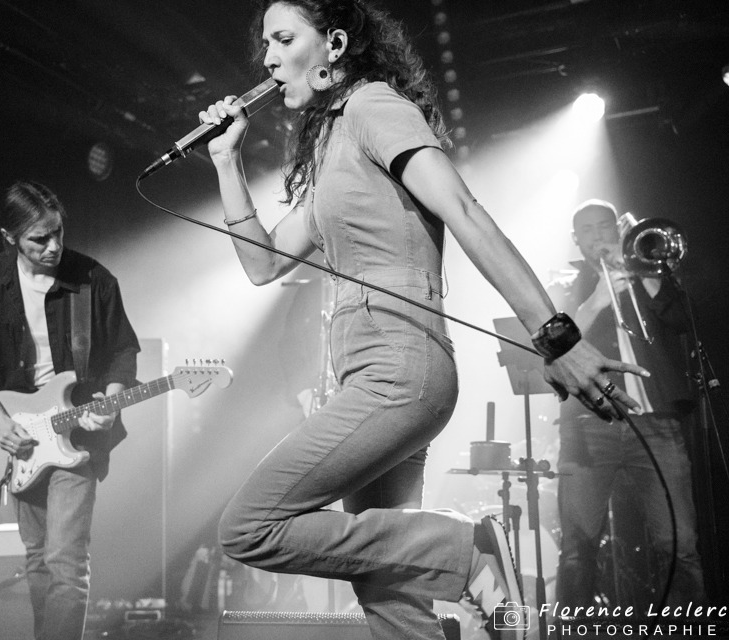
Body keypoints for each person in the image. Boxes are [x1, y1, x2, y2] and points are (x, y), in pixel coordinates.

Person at [196, 2, 650, 639]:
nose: (267, 59)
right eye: (265, 45)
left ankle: (465, 549)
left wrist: (557, 337)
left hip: (398, 365)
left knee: (249, 526)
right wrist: (226, 162)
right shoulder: (331, 140)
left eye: (283, 38)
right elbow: (263, 264)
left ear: (334, 44)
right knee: (391, 599)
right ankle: (444, 573)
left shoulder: (372, 107)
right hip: (367, 369)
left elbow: (464, 209)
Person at [0, 181, 140, 640]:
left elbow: (123, 351)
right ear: (9, 237)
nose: (54, 246)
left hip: (79, 436)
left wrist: (110, 402)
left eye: (58, 233)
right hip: (21, 439)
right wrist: (1, 423)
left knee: (65, 562)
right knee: (37, 559)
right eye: (39, 239)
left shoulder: (93, 280)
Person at [549, 199, 705, 610]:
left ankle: (689, 628)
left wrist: (644, 274)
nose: (597, 235)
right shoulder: (562, 284)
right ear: (576, 239)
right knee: (578, 548)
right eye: (587, 230)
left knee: (679, 544)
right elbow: (551, 346)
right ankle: (575, 633)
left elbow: (682, 320)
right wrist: (597, 299)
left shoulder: (646, 272)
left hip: (657, 423)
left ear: (618, 229)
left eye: (605, 226)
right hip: (588, 426)